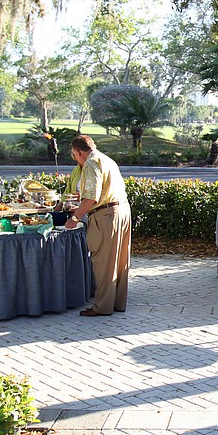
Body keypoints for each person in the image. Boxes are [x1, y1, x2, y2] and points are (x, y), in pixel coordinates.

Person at [64, 135, 131, 316]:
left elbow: (92, 197)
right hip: (122, 210)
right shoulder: (107, 160)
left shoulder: (91, 164)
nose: (75, 159)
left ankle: (102, 307)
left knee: (103, 262)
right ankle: (116, 303)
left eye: (74, 155)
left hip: (105, 215)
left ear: (79, 152)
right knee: (119, 261)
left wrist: (75, 218)